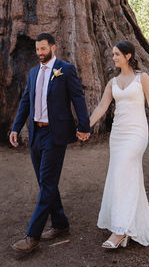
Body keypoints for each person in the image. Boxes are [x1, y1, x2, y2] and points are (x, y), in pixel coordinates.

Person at [9, 33, 92, 253]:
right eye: (37, 49)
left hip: (56, 135)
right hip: (36, 133)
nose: (39, 53)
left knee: (46, 182)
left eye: (43, 49)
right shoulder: (33, 72)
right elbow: (26, 101)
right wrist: (16, 127)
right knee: (46, 182)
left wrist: (84, 126)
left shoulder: (65, 70)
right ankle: (61, 224)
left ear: (53, 48)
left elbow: (78, 98)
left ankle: (32, 236)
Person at [89, 40, 149, 249]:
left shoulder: (142, 78)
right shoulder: (113, 82)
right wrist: (85, 126)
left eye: (117, 54)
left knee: (122, 171)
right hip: (118, 134)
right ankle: (127, 224)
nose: (113, 57)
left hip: (137, 133)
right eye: (113, 54)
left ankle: (119, 232)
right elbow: (101, 106)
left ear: (128, 56)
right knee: (122, 176)